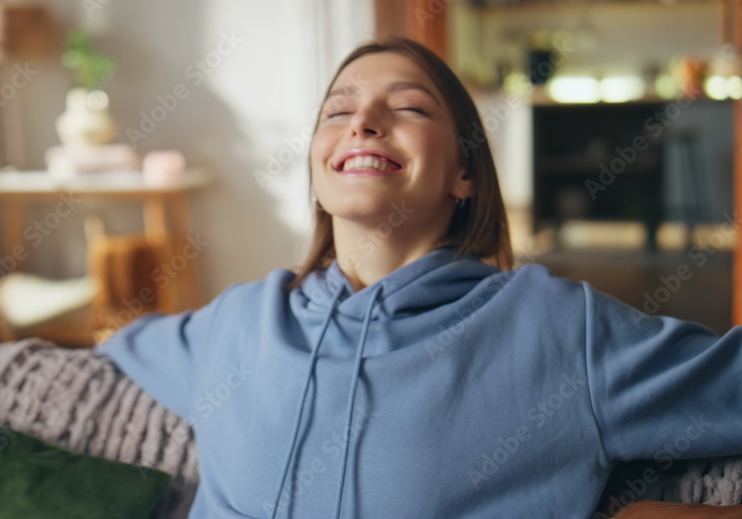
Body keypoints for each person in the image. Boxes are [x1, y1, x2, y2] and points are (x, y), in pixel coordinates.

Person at [94, 37, 742, 518]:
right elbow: (114, 345)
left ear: (465, 172)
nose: (363, 122)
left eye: (408, 107)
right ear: (319, 173)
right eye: (337, 111)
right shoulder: (239, 321)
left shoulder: (554, 326)